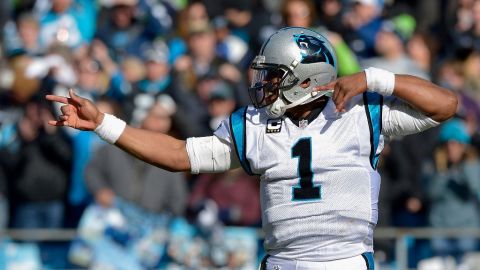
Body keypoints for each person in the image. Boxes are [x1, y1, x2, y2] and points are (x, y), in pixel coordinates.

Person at [47, 27, 457, 269]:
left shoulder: (360, 114)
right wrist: (103, 123)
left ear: (305, 77)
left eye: (275, 76)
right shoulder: (255, 125)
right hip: (282, 263)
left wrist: (375, 78)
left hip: (344, 262)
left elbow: (446, 105)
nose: (265, 85)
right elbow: (178, 155)